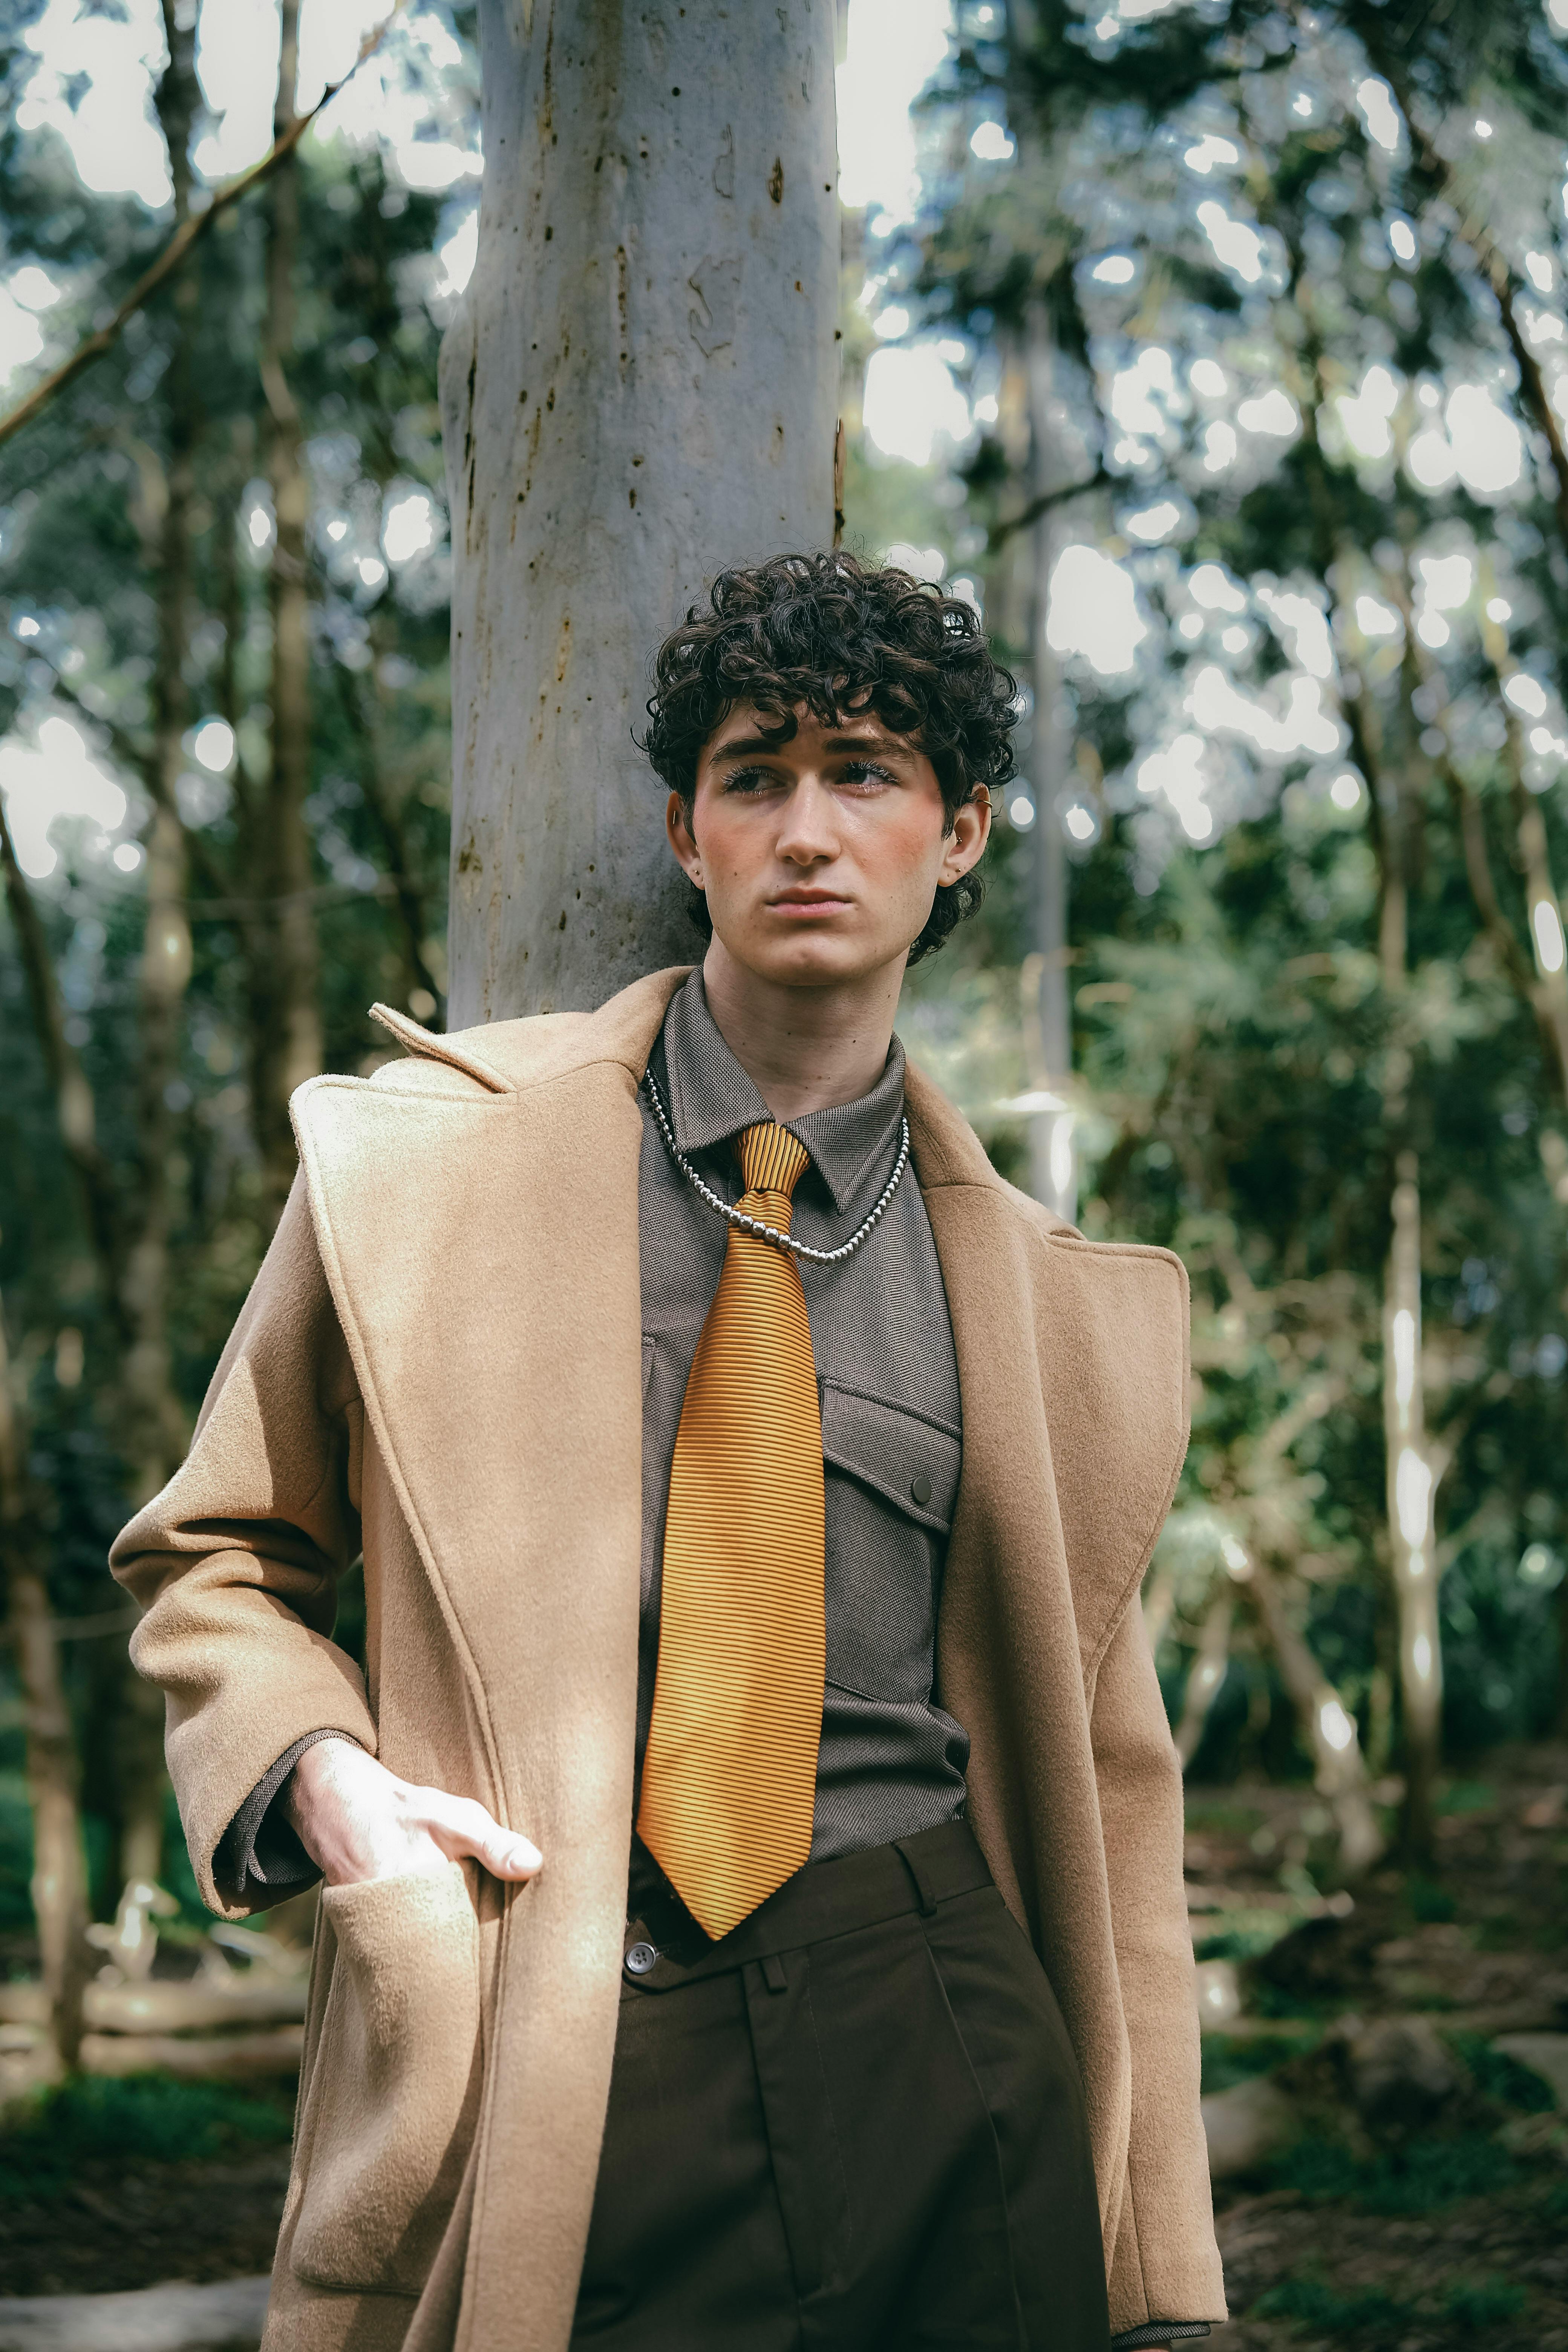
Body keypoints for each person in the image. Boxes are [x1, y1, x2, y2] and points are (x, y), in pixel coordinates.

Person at [111, 552, 1226, 2352]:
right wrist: (323, 1781)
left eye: (865, 771)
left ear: (957, 836)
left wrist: (1167, 2283)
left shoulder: (1045, 1303)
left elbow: (1113, 1793)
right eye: (754, 775)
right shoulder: (427, 1173)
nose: (806, 826)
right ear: (682, 829)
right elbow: (209, 1555)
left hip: (937, 2021)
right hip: (565, 2038)